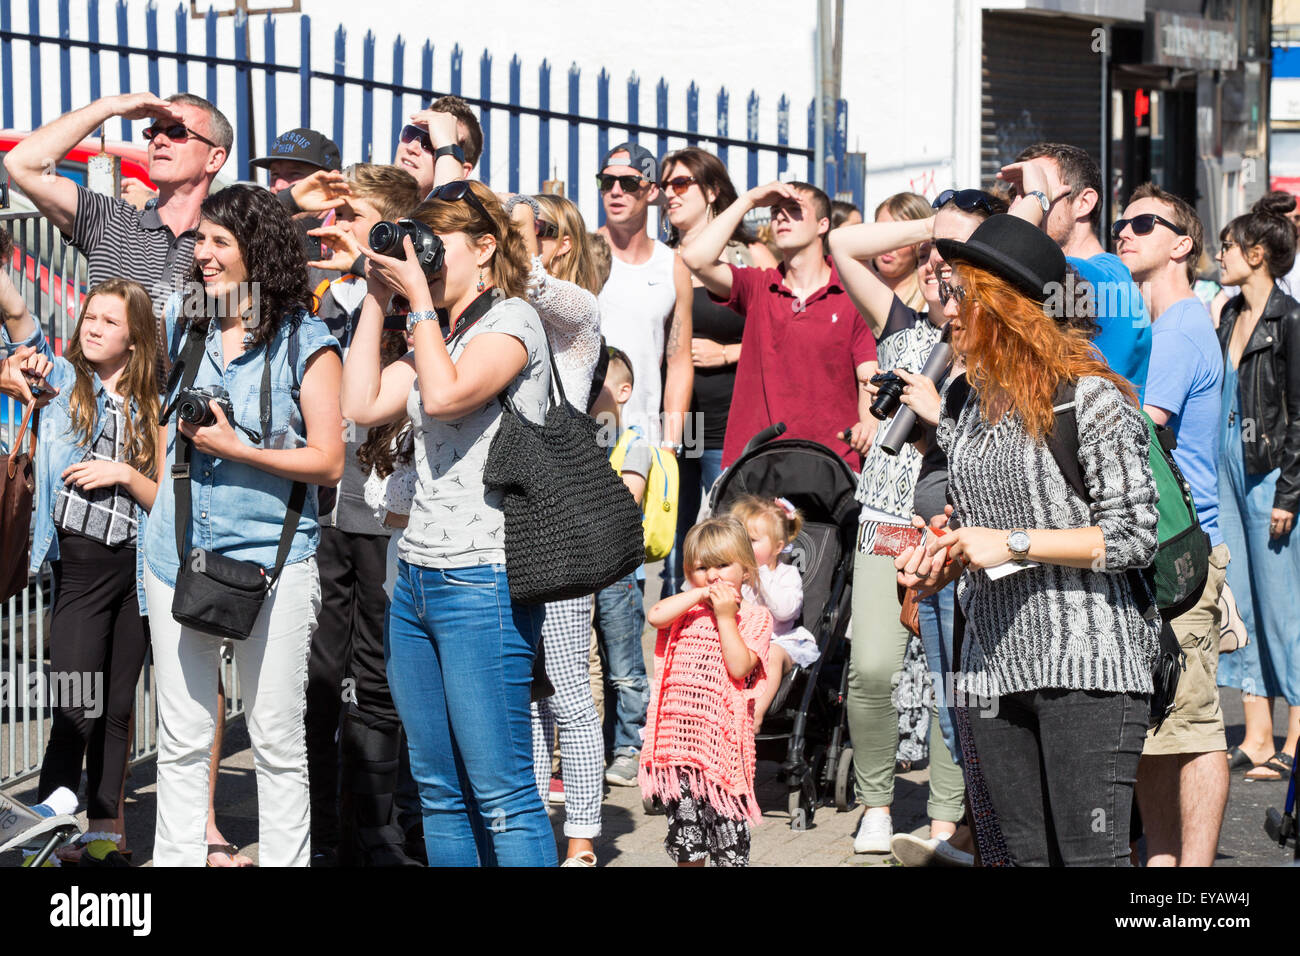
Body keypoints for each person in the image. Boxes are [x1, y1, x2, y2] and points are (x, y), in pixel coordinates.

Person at [910, 214, 1161, 866]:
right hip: (993, 665)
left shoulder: (1092, 399)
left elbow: (1134, 536)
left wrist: (1014, 543)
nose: (946, 308)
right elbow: (974, 518)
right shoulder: (964, 401)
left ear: (1003, 308)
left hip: (1088, 666)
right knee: (1018, 858)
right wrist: (942, 555)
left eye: (960, 292)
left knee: (1090, 857)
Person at [340, 180, 557, 866]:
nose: (423, 261)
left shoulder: (513, 322)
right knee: (438, 790)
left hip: (484, 581)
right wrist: (379, 297)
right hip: (418, 582)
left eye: (437, 246)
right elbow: (362, 401)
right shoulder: (444, 329)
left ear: (486, 247)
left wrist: (423, 307)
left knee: (502, 793)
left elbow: (446, 392)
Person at [138, 184, 344, 867]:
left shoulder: (307, 343)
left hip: (274, 563)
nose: (203, 255)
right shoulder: (184, 317)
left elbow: (328, 460)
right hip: (177, 554)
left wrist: (239, 449)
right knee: (184, 735)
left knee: (276, 736)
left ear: (258, 254)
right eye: (200, 240)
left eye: (220, 242)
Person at [829, 187, 1006, 859]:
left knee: (947, 680)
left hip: (951, 519)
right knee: (873, 666)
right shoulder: (901, 320)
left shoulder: (989, 338)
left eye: (953, 254)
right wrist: (936, 225)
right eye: (932, 254)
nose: (936, 264)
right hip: (884, 514)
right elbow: (842, 245)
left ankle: (944, 818)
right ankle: (876, 803)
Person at [2, 266, 160, 866]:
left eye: (108, 321)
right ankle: (50, 833)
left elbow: (162, 494)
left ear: (135, 337)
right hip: (82, 567)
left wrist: (124, 473)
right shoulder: (67, 380)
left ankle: (102, 839)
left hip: (140, 570)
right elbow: (22, 325)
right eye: (88, 317)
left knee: (118, 709)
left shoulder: (155, 399)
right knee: (75, 705)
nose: (92, 328)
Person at [294, 162, 424, 867]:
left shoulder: (412, 297)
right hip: (329, 511)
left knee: (374, 679)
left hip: (387, 513)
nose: (332, 227)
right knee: (320, 678)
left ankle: (379, 837)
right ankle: (322, 837)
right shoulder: (322, 295)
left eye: (351, 216)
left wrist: (376, 280)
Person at [1114, 182, 1230, 866]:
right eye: (1123, 222)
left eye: (1144, 223)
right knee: (1161, 727)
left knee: (1196, 724)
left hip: (1183, 557)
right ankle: (1161, 863)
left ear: (1182, 244)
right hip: (1164, 550)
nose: (1126, 231)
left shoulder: (1182, 326)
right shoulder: (1165, 327)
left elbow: (1140, 432)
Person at [503, 190, 605, 865]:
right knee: (527, 688)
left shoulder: (578, 323)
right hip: (506, 525)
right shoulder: (497, 320)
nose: (505, 240)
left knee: (568, 683)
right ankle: (536, 820)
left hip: (565, 528)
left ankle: (583, 837)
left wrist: (515, 246)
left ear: (557, 241)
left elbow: (542, 288)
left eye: (522, 230)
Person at [680, 179, 878, 471]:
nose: (781, 216)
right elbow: (695, 258)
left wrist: (869, 424)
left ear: (823, 225)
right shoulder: (759, 285)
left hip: (832, 466)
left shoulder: (851, 294)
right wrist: (749, 199)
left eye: (794, 209)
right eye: (775, 211)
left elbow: (868, 375)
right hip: (757, 464)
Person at [657, 145, 775, 596]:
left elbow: (780, 332)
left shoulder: (750, 254)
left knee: (729, 532)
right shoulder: (659, 256)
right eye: (665, 185)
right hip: (676, 419)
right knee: (673, 535)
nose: (670, 193)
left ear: (711, 191)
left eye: (681, 183)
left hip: (728, 420)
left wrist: (728, 353)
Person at [3, 92, 231, 318]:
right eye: (153, 132)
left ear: (214, 159)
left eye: (177, 132)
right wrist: (109, 106)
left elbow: (253, 324)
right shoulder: (110, 219)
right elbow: (21, 164)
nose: (159, 140)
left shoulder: (230, 243)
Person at [1215, 194, 1300, 787]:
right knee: (1239, 605)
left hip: (1270, 474)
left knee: (1284, 612)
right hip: (1227, 469)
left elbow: (1299, 415)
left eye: (1226, 247)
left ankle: (1296, 736)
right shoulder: (1226, 314)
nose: (1219, 256)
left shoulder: (1290, 320)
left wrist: (1289, 494)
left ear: (1256, 254)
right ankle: (1257, 734)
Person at [642, 516, 772, 867]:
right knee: (689, 844)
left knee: (729, 847)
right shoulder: (686, 610)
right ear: (688, 572)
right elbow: (655, 615)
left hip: (722, 752)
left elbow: (740, 666)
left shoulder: (755, 617)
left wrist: (726, 617)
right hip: (680, 749)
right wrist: (697, 594)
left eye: (723, 565)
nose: (712, 575)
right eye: (701, 568)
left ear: (746, 570)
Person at [1005, 144, 1151, 402]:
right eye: (1015, 194)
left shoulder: (1101, 276)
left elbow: (1007, 251)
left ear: (1084, 203)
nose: (1019, 205)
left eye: (1037, 192)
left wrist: (1034, 197)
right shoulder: (1089, 275)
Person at [595, 142, 693, 451]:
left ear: (651, 191)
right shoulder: (582, 253)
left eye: (627, 182)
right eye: (606, 181)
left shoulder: (672, 266)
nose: (615, 191)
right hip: (582, 437)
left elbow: (679, 363)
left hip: (643, 442)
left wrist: (670, 446)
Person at [589, 348, 653, 788]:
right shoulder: (582, 442)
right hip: (582, 571)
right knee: (588, 663)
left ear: (623, 391)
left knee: (625, 667)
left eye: (600, 385)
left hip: (619, 574)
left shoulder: (635, 444)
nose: (591, 394)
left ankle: (630, 748)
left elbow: (626, 500)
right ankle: (594, 747)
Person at [728, 495, 817, 732]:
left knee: (774, 655)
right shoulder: (734, 571)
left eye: (753, 541)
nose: (745, 546)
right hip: (742, 642)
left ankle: (754, 717)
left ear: (778, 547)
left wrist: (761, 575)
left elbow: (785, 611)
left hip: (778, 641)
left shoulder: (786, 575)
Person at [864, 192, 931, 319]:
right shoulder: (857, 285)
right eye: (881, 231)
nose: (888, 244)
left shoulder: (931, 297)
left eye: (899, 236)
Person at [250, 127, 342, 196]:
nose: (278, 186)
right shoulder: (263, 219)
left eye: (294, 174)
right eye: (275, 174)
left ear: (331, 181)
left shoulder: (346, 220)